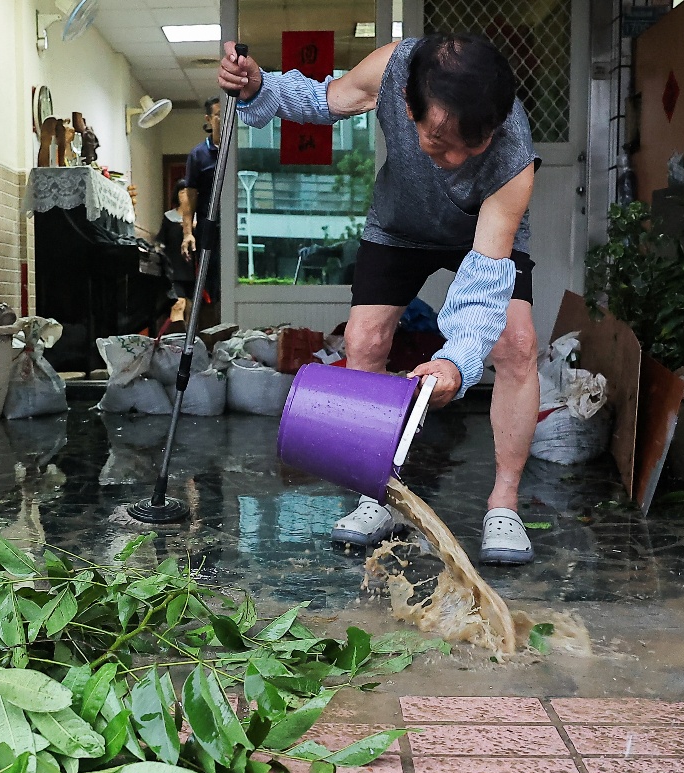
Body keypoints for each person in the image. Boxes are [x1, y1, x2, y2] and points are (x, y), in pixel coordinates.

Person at [219, 34, 540, 565]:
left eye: (469, 146)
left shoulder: (512, 157)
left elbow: (483, 286)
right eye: (438, 143)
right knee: (364, 339)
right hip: (399, 225)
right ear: (408, 107)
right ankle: (377, 492)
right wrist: (260, 87)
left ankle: (504, 503)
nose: (454, 161)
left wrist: (456, 362)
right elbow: (327, 100)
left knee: (517, 345)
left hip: (480, 232)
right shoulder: (396, 68)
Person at [180, 98, 223, 327]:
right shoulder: (198, 154)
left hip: (236, 230)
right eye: (218, 114)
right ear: (208, 119)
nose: (224, 119)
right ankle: (208, 340)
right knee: (208, 289)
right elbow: (190, 195)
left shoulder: (235, 150)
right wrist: (188, 232)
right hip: (209, 229)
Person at [155, 179, 194, 329]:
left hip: (193, 271)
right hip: (175, 270)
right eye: (181, 191)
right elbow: (160, 242)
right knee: (178, 304)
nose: (184, 195)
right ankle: (174, 341)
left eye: (188, 192)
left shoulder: (199, 219)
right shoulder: (169, 217)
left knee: (191, 309)